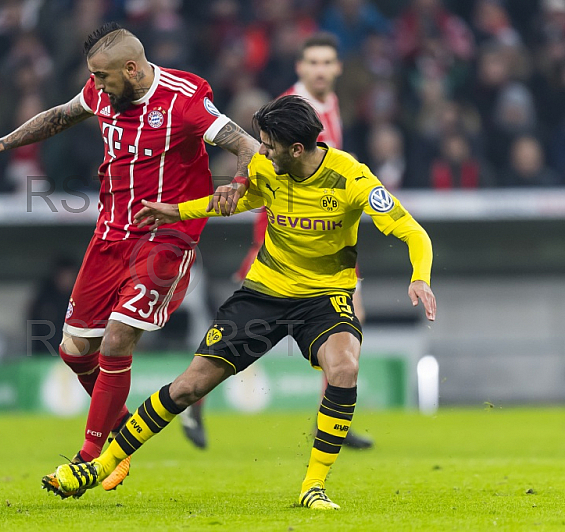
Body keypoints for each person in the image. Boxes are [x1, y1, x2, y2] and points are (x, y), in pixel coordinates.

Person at [49, 95, 436, 510]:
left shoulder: (352, 179)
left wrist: (420, 278)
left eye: (268, 144)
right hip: (263, 295)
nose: (261, 151)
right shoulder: (268, 168)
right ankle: (104, 462)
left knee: (344, 367)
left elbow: (413, 232)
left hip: (323, 297)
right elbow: (235, 202)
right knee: (189, 386)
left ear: (297, 149)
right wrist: (176, 212)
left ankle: (313, 486)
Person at [0, 22, 259, 496]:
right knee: (74, 351)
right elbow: (60, 114)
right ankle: (124, 435)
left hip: (165, 237)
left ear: (131, 69)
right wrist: (1, 144)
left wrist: (237, 183)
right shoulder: (102, 92)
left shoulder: (185, 96)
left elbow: (246, 143)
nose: (94, 86)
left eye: (101, 77)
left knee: (117, 340)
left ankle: (90, 460)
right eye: (92, 77)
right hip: (109, 235)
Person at [187, 32, 374, 451]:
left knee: (350, 329)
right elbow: (254, 154)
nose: (322, 70)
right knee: (239, 334)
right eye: (314, 63)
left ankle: (333, 417)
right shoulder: (291, 110)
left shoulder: (333, 106)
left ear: (338, 67)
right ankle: (192, 403)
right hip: (278, 247)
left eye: (328, 62)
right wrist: (237, 183)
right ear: (301, 68)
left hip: (325, 249)